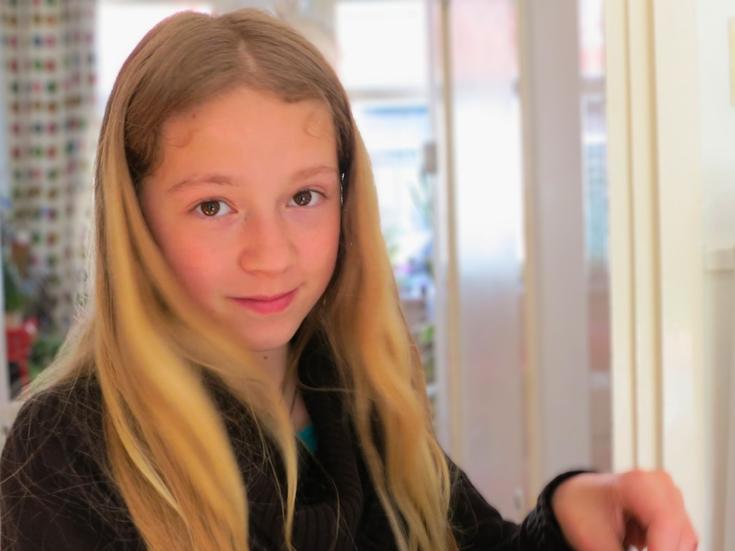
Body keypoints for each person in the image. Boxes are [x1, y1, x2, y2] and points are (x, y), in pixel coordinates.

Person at [0, 8, 697, 551]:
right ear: (135, 222)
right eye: (213, 206)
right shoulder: (65, 450)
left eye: (304, 197)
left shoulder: (356, 401)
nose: (271, 255)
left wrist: (568, 517)